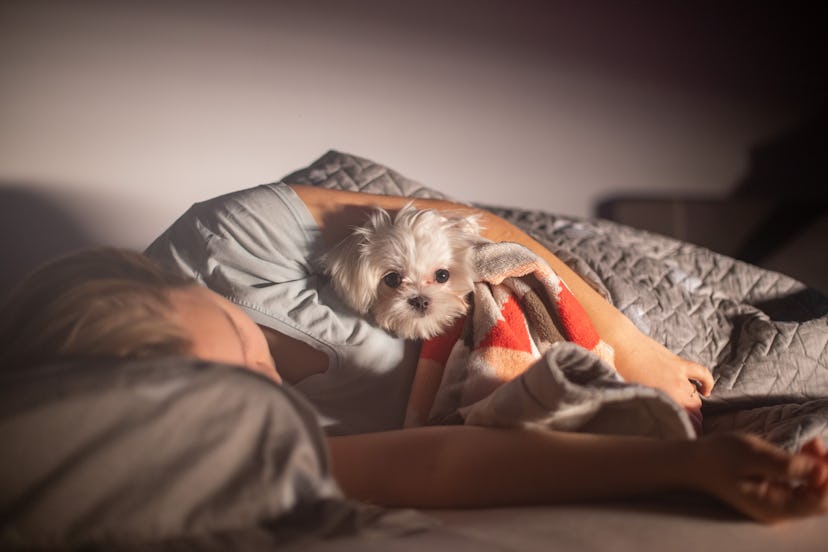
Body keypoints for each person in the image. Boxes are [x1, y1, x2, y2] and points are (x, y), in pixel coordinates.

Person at [1, 189, 827, 524]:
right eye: (240, 392)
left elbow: (453, 221)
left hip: (528, 274)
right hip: (498, 374)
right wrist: (688, 464)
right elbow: (436, 461)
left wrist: (633, 345)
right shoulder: (228, 446)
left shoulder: (221, 241)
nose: (263, 386)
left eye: (241, 344)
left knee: (773, 327)